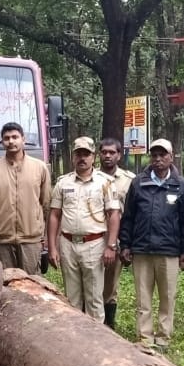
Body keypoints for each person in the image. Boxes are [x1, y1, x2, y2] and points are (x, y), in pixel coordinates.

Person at [118, 139, 184, 348]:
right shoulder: (138, 183)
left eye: (163, 155)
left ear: (171, 156)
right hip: (141, 249)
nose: (158, 159)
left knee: (167, 297)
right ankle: (145, 337)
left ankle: (163, 337)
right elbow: (129, 217)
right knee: (143, 298)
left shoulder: (180, 185)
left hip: (169, 251)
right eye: (155, 155)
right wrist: (125, 245)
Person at [46, 136, 120, 322]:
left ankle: (96, 343)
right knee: (71, 299)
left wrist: (110, 246)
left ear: (93, 157)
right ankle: (74, 339)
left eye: (86, 154)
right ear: (72, 157)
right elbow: (54, 215)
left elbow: (113, 215)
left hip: (94, 244)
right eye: (78, 154)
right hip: (68, 244)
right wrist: (53, 247)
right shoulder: (63, 183)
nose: (82, 158)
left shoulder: (105, 182)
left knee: (94, 298)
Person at [0, 122, 50, 274]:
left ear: (23, 139)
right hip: (3, 239)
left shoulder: (39, 167)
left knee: (32, 282)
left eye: (15, 137)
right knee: (7, 282)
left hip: (31, 238)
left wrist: (38, 225)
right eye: (6, 138)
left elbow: (45, 202)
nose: (11, 141)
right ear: (2, 142)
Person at [97, 137, 136, 329]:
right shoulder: (93, 177)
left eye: (112, 152)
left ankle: (109, 325)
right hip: (94, 237)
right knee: (93, 282)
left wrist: (127, 243)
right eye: (104, 152)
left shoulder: (129, 180)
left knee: (111, 285)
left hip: (117, 239)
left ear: (119, 155)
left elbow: (132, 213)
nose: (107, 156)